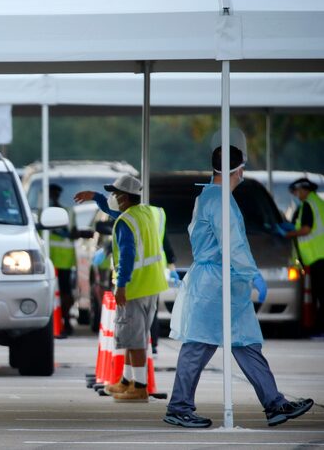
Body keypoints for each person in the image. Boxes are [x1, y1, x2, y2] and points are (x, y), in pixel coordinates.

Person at [164, 145, 314, 428]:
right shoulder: (220, 201)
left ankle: (275, 404)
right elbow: (233, 245)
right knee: (198, 345)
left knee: (246, 344)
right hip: (216, 283)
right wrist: (252, 272)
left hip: (226, 283)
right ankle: (179, 406)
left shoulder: (211, 197)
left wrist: (245, 275)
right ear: (239, 169)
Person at [74, 174, 168, 402]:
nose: (112, 197)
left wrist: (122, 285)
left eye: (115, 194)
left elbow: (127, 256)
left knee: (134, 339)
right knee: (133, 335)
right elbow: (117, 213)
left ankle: (140, 387)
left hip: (134, 286)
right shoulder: (147, 213)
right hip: (152, 283)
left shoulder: (126, 222)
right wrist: (96, 197)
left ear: (125, 197)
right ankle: (127, 381)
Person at [280, 178, 324, 338]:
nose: (296, 195)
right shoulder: (318, 202)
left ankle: (319, 330)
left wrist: (287, 234)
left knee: (320, 295)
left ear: (304, 189)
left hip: (317, 257)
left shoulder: (308, 205)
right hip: (319, 255)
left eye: (297, 192)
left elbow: (305, 229)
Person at [48, 184, 77, 338]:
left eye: (55, 194)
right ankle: (55, 323)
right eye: (51, 194)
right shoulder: (40, 213)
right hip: (48, 260)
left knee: (65, 293)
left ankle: (65, 321)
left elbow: (73, 232)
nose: (53, 197)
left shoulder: (68, 212)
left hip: (64, 260)